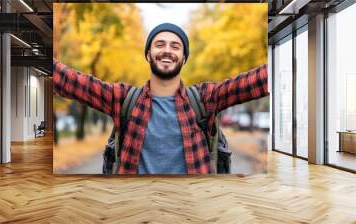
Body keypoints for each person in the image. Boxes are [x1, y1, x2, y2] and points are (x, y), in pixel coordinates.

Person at [53, 23, 269, 174]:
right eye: (159, 44)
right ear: (148, 54)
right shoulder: (123, 99)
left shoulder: (204, 99)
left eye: (175, 46)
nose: (167, 51)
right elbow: (70, 81)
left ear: (184, 57)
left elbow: (253, 82)